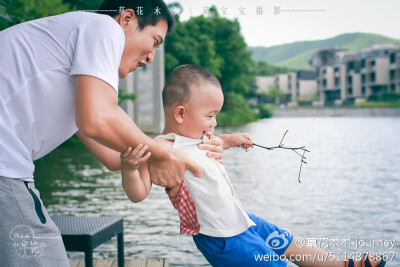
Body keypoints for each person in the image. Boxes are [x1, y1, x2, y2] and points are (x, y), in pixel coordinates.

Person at [0, 1, 224, 266]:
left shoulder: (81, 85)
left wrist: (181, 151)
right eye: (154, 41)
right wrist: (163, 154)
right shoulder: (103, 26)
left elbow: (112, 156)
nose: (151, 56)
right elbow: (98, 119)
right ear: (127, 18)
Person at [120, 65, 386, 267]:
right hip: (221, 237)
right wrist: (130, 169)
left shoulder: (201, 138)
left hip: (242, 220)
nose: (214, 123)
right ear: (180, 113)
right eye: (210, 116)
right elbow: (138, 193)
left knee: (289, 242)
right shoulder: (161, 149)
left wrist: (233, 140)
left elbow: (215, 143)